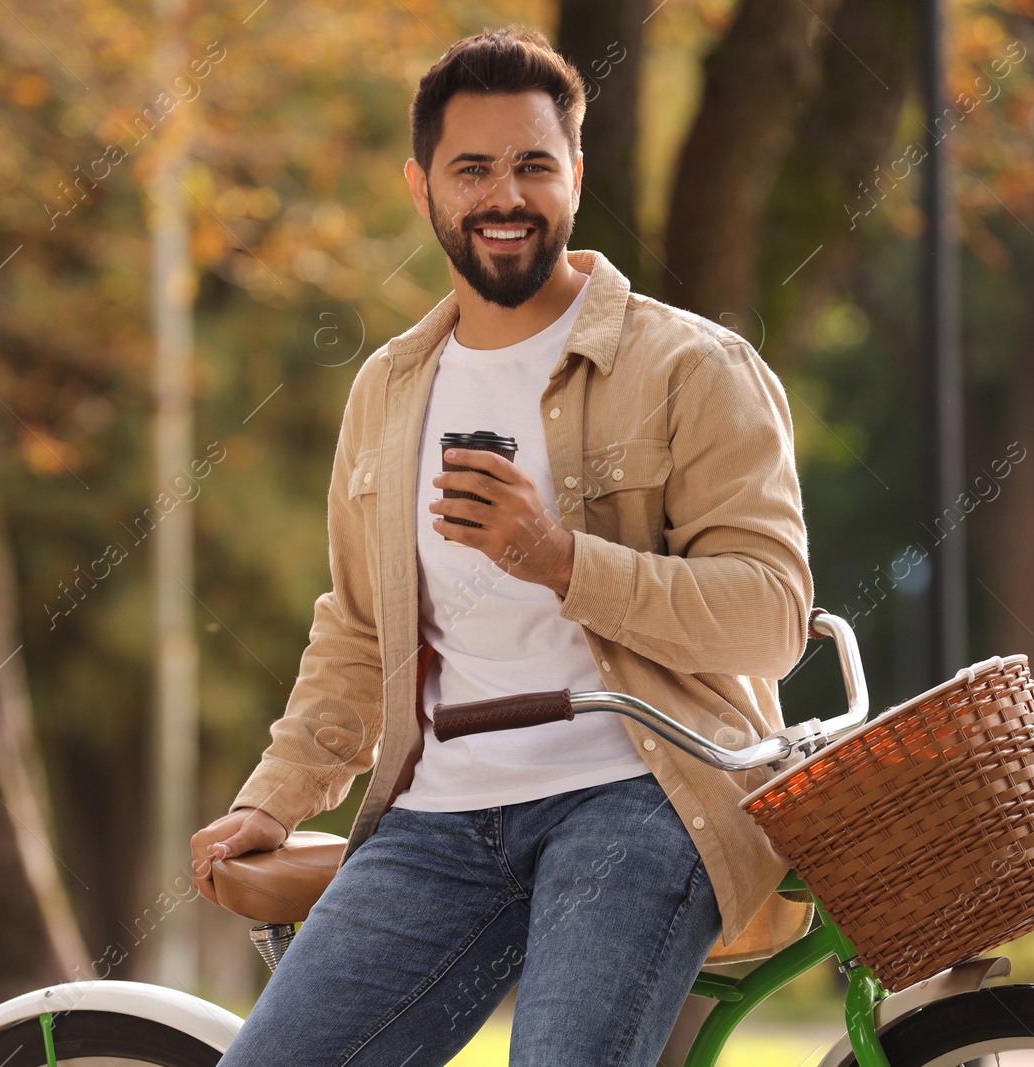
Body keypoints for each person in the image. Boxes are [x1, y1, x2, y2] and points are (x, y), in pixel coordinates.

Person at [192, 24, 814, 1067]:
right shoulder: (389, 389)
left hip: (641, 795)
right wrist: (275, 795)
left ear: (576, 173)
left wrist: (561, 558)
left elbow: (770, 614)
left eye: (533, 165)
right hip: (437, 818)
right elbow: (355, 632)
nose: (504, 195)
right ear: (421, 186)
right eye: (471, 168)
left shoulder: (692, 367)